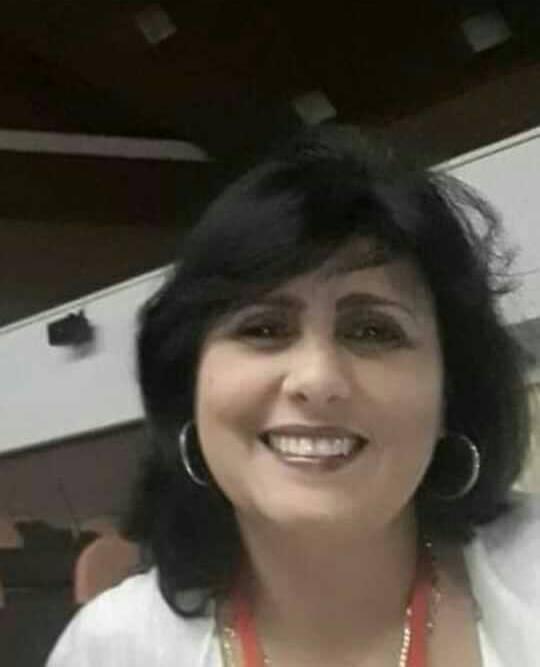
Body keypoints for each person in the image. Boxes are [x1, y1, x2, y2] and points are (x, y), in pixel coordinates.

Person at [47, 125, 539, 667]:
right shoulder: (111, 649)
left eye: (372, 331)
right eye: (263, 328)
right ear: (189, 384)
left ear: (450, 390)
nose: (317, 379)